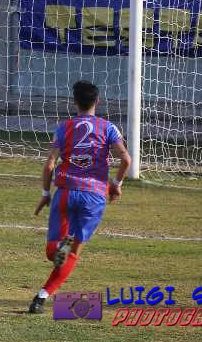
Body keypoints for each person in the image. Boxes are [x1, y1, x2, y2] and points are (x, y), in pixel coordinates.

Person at [28, 80, 131, 314]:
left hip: (65, 191)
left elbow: (50, 165)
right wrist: (116, 184)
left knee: (52, 252)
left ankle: (50, 272)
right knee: (73, 252)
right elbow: (126, 160)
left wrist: (46, 193)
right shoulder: (109, 128)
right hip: (94, 195)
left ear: (74, 102)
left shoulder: (64, 127)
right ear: (98, 101)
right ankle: (41, 298)